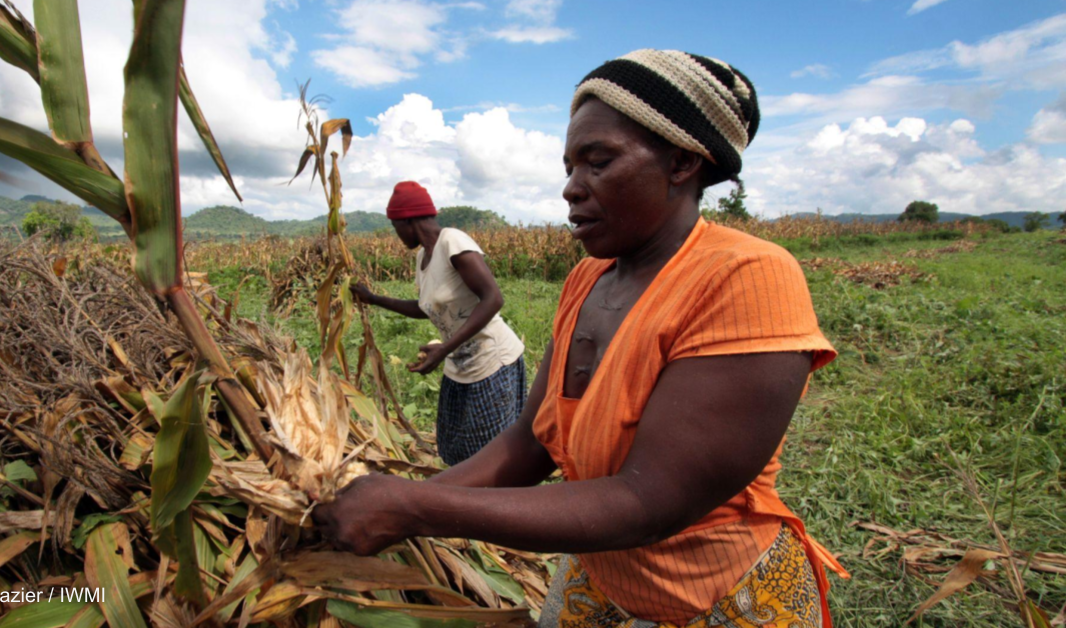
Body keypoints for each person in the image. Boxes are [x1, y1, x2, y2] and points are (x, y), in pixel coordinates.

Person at [316, 50, 850, 627]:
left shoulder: (746, 278)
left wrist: (416, 507)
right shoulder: (589, 277)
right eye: (569, 167)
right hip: (597, 581)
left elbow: (648, 503)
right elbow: (529, 443)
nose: (572, 189)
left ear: (682, 163)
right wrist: (395, 500)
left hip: (714, 601)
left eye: (598, 162)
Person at [351, 181, 527, 466]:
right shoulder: (424, 257)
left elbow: (493, 298)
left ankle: (499, 507)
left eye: (396, 227)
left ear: (408, 220)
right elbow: (425, 308)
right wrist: (373, 299)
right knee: (455, 450)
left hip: (492, 362)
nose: (396, 235)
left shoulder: (451, 242)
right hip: (459, 364)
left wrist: (444, 348)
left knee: (490, 458)